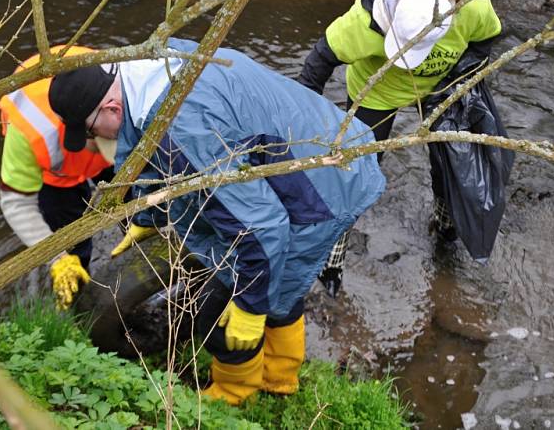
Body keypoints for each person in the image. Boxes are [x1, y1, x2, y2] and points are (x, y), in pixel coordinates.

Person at [48, 38, 386, 405]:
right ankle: (279, 378)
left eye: (93, 130)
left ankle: (237, 393)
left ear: (111, 107)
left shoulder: (185, 132)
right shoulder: (155, 64)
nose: (96, 140)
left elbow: (262, 226)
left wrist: (250, 309)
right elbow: (143, 144)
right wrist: (150, 216)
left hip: (320, 187)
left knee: (226, 319)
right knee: (278, 284)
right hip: (324, 138)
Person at [298, 0, 502, 266]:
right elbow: (316, 67)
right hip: (376, 94)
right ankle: (331, 261)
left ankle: (447, 228)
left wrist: (456, 79)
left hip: (440, 89)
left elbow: (485, 40)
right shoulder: (362, 24)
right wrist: (302, 121)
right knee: (354, 174)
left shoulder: (471, 3)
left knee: (451, 162)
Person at [0, 46, 115, 311]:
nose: (103, 156)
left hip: (105, 124)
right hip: (57, 176)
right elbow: (16, 203)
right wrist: (56, 257)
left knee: (141, 209)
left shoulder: (129, 94)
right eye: (98, 145)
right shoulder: (29, 131)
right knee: (73, 243)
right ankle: (80, 309)